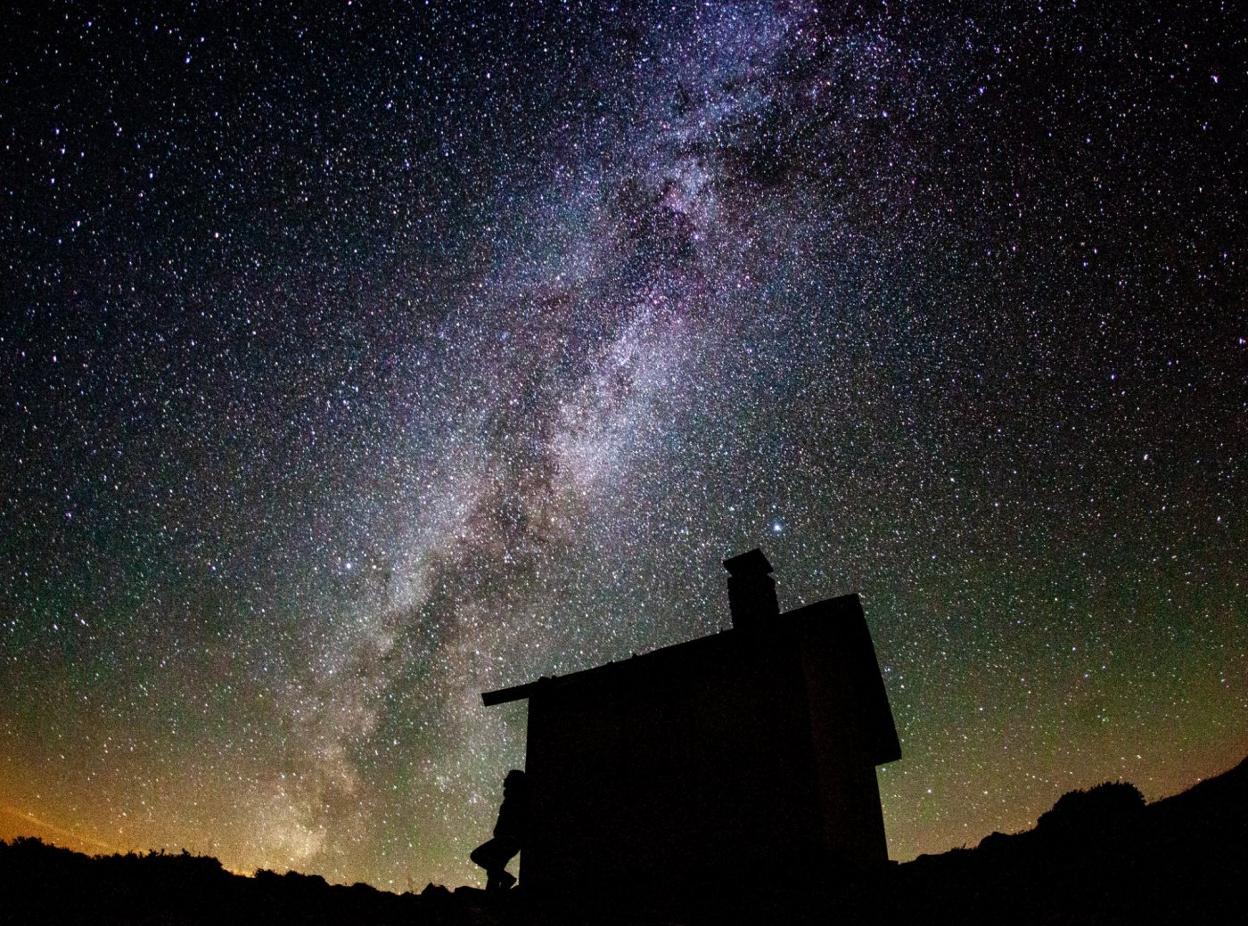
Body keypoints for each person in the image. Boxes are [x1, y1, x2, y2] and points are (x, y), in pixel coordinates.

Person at [470, 769, 528, 891]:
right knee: (494, 872)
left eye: (508, 778)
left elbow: (512, 821)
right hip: (507, 840)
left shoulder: (515, 800)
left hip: (507, 841)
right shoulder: (513, 798)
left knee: (478, 856)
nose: (505, 780)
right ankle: (495, 899)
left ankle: (506, 880)